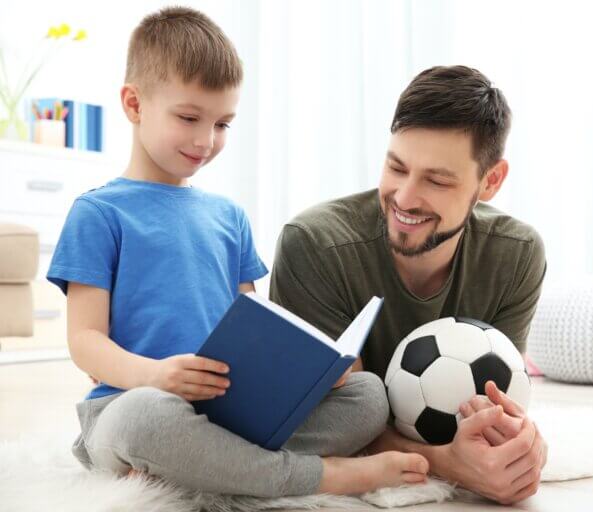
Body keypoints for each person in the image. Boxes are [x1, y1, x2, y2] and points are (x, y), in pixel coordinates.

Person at [46, 6, 428, 498]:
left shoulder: (229, 217)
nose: (206, 141)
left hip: (226, 414)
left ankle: (202, 467)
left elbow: (256, 325)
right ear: (134, 104)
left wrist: (309, 374)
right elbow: (85, 344)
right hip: (129, 407)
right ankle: (322, 475)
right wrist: (157, 376)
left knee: (369, 395)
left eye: (223, 124)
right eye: (188, 118)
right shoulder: (99, 213)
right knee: (149, 419)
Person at [270, 65, 548, 504]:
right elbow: (335, 424)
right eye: (396, 167)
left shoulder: (515, 254)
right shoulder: (314, 246)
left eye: (436, 180)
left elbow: (497, 404)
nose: (403, 197)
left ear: (490, 180)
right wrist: (445, 464)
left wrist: (520, 448)